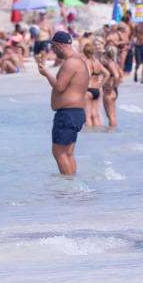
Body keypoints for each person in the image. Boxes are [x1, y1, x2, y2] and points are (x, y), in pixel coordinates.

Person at [37, 32, 89, 176]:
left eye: (53, 46)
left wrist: (46, 74)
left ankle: (68, 187)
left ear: (60, 45)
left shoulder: (71, 62)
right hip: (75, 113)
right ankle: (72, 188)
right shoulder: (78, 60)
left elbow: (60, 86)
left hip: (68, 114)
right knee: (68, 153)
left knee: (59, 152)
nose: (53, 50)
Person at [82, 42, 109, 127]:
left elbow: (88, 75)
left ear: (84, 52)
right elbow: (107, 74)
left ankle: (90, 137)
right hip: (96, 90)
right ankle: (96, 136)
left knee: (87, 116)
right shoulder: (96, 61)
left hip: (88, 90)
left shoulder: (86, 62)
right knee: (95, 115)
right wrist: (100, 85)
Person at [101, 45, 122, 128]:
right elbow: (121, 76)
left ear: (106, 54)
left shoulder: (110, 64)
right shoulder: (115, 63)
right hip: (113, 91)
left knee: (110, 115)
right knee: (111, 115)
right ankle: (113, 135)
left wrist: (112, 86)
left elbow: (117, 76)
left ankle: (112, 133)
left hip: (109, 91)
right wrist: (115, 86)